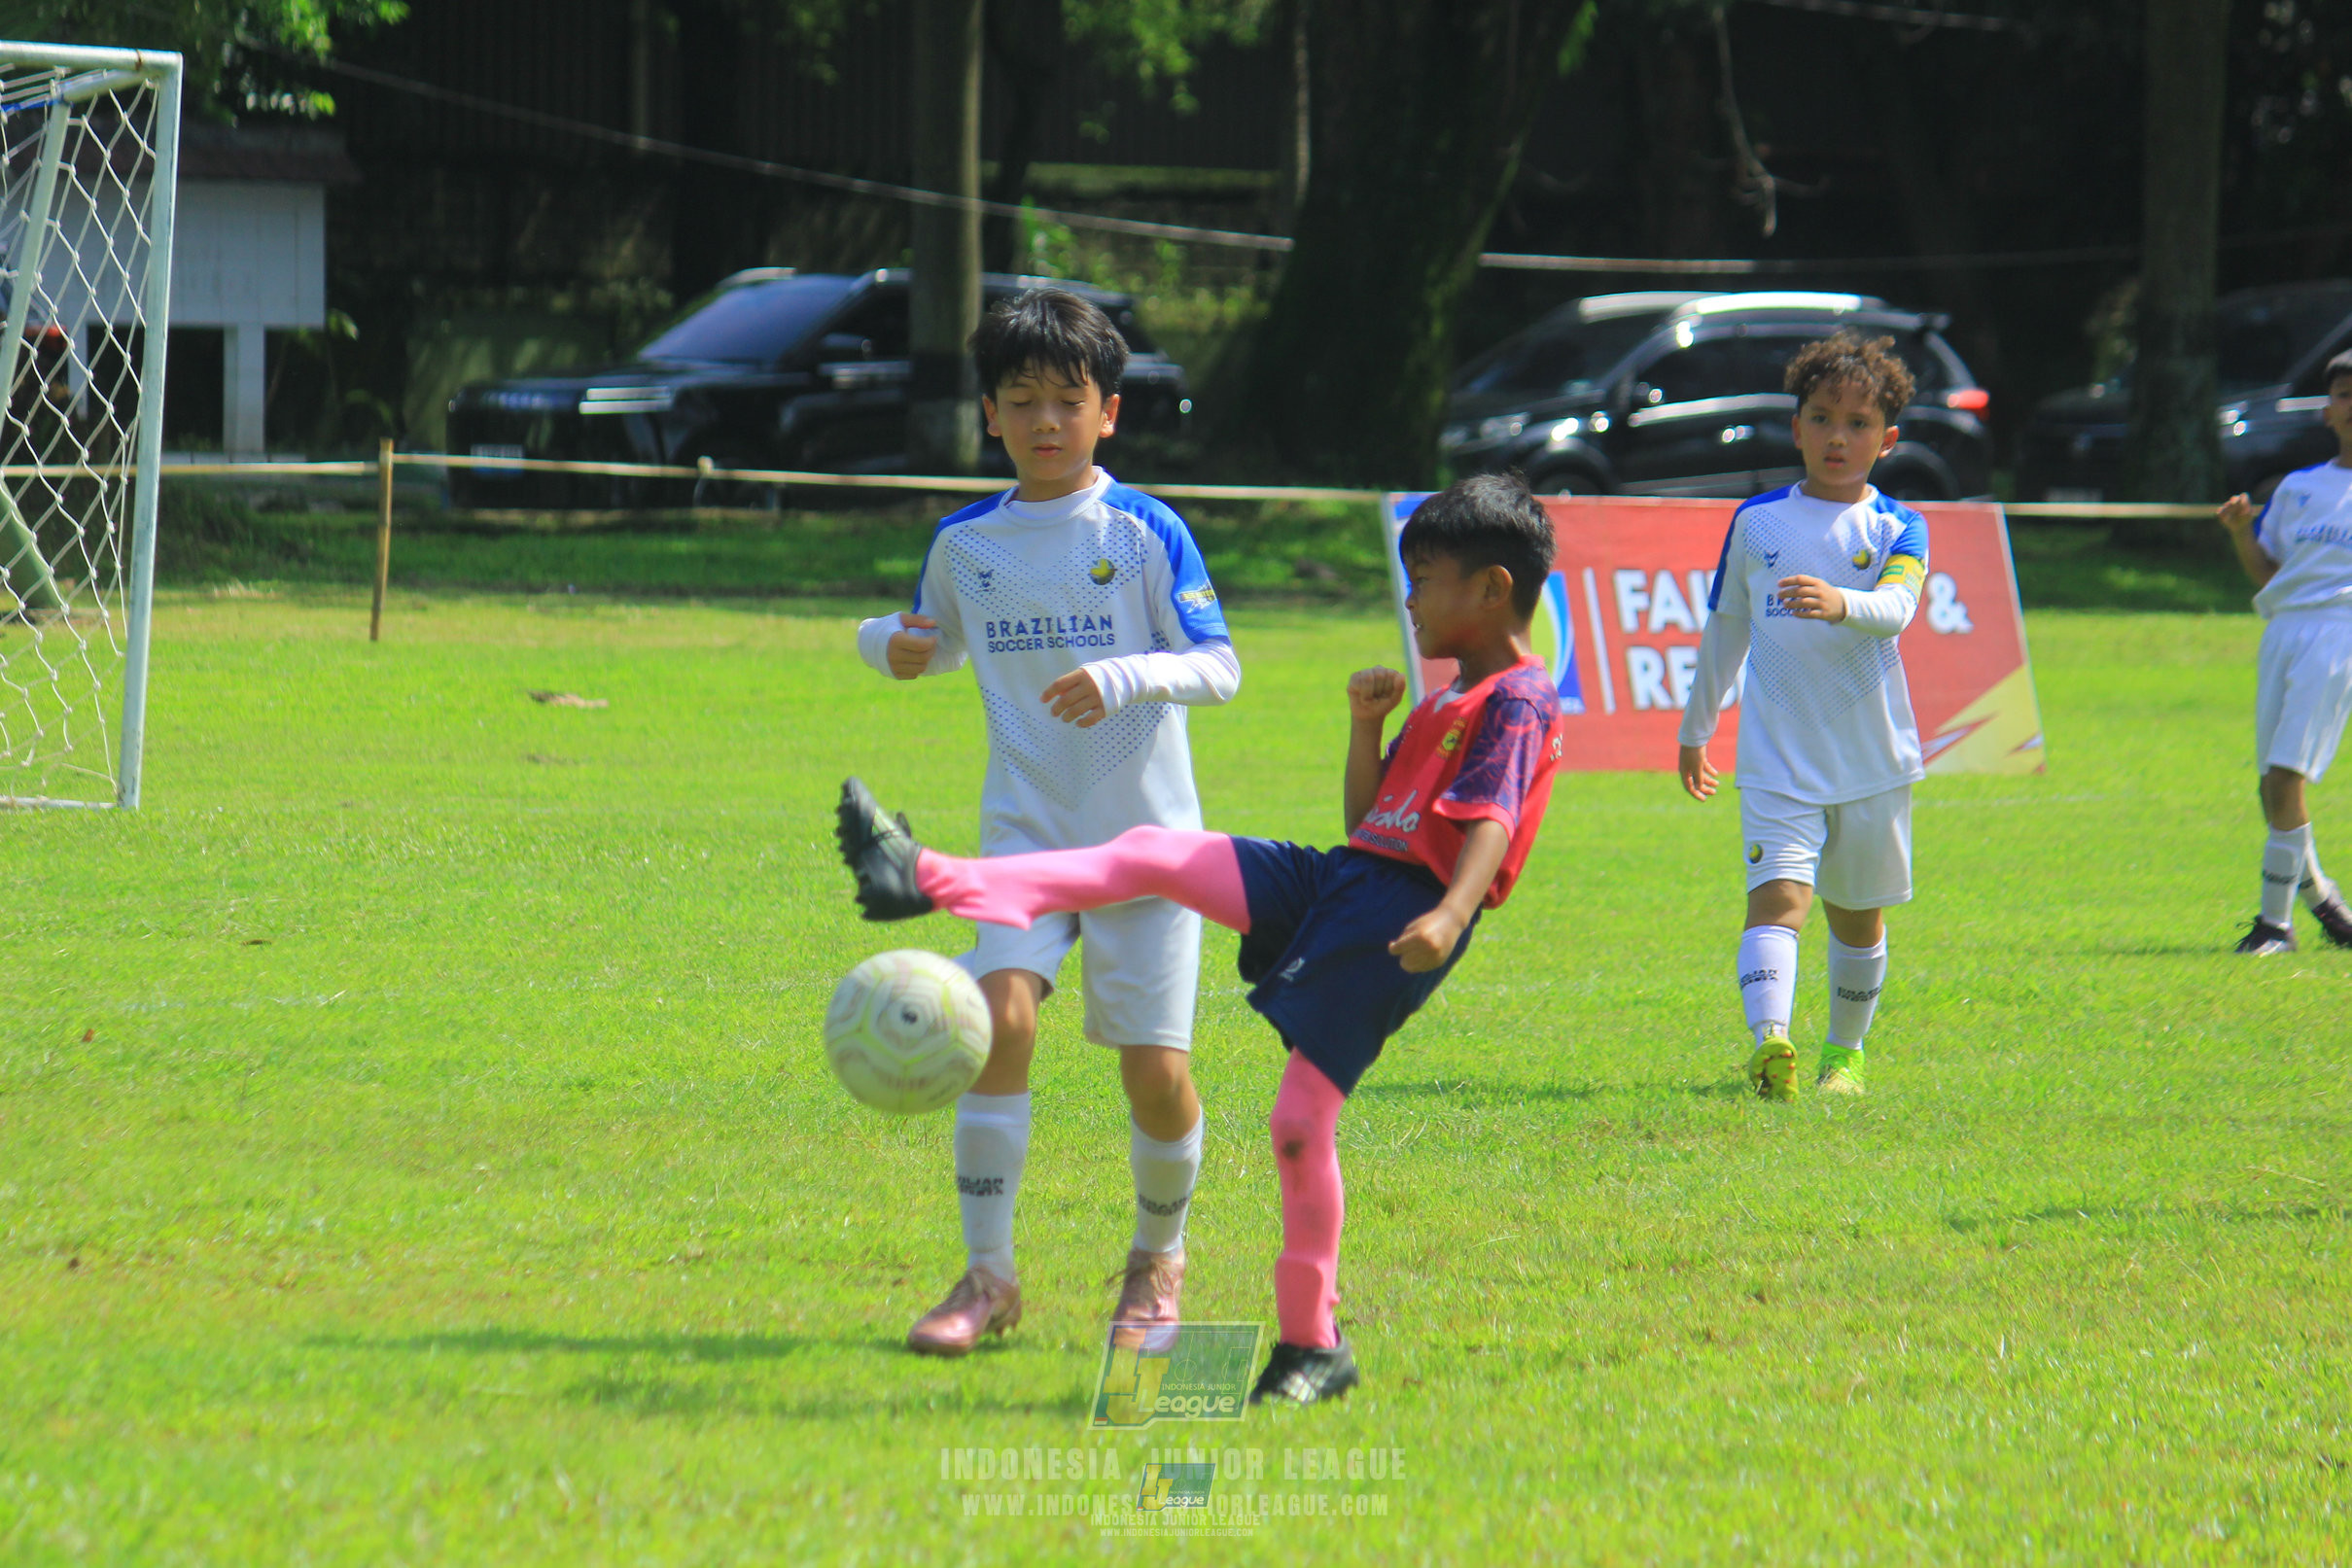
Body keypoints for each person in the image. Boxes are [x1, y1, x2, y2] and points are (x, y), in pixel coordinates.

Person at [837, 472, 1567, 1406]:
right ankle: (927, 875)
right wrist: (1362, 727)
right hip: (1346, 880)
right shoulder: (1449, 695)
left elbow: (1493, 821)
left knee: (1298, 1125)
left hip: (1396, 921)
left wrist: (1452, 913)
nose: (1410, 600)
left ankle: (1312, 1342)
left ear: (1491, 589)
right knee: (1153, 851)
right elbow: (1369, 821)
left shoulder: (1516, 700)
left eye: (1421, 580)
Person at [851, 288, 1241, 1355]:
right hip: (1025, 834)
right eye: (1021, 401)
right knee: (997, 1026)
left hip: (1149, 847)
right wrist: (877, 638)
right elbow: (931, 642)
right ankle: (988, 1274)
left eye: (1067, 400)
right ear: (988, 413)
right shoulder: (966, 542)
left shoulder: (1147, 527)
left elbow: (1219, 665)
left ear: (1107, 411)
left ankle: (1157, 1262)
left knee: (1154, 1074)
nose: (1045, 422)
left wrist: (1123, 675)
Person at [1677, 331, 1931, 1100]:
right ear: (1796, 427)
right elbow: (1725, 626)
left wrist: (1838, 602)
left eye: (1857, 423)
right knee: (1777, 899)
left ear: (1885, 441)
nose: (1836, 436)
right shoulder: (1756, 522)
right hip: (1777, 757)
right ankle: (1771, 1045)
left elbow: (1895, 609)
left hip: (1872, 760)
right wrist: (1696, 728)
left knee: (1856, 920)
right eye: (1821, 417)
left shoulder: (1898, 526)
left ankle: (1843, 1057)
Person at [2216, 348, 2352, 955]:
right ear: (2328, 411)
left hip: (2338, 632)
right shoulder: (2299, 488)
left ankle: (2276, 926)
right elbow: (2269, 577)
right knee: (2271, 787)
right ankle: (2326, 903)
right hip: (2284, 630)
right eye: (2344, 394)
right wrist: (2243, 531)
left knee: (2286, 775)